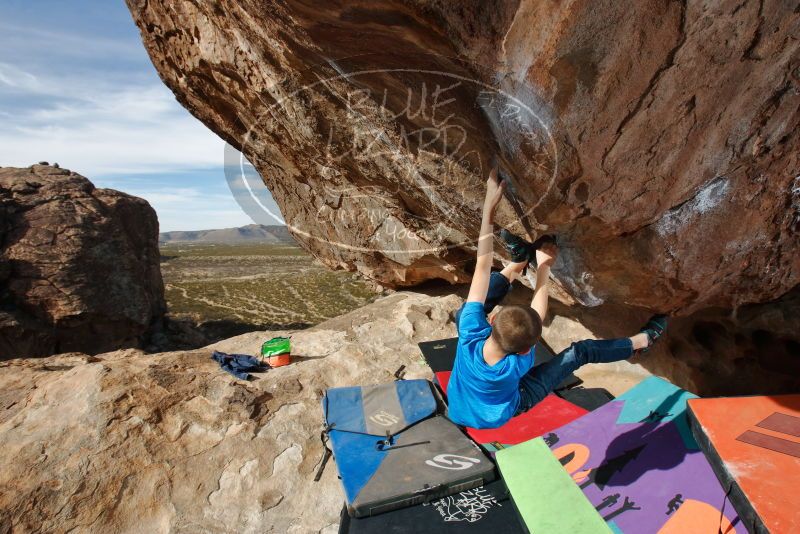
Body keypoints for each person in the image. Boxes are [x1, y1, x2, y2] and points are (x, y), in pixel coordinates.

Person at [446, 167, 667, 429]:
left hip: (459, 407)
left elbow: (482, 268)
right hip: (513, 405)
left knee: (465, 312)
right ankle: (640, 342)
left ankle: (519, 262)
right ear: (528, 350)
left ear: (491, 320)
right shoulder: (516, 366)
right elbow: (534, 313)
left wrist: (489, 208)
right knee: (580, 353)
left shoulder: (470, 333)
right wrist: (545, 267)